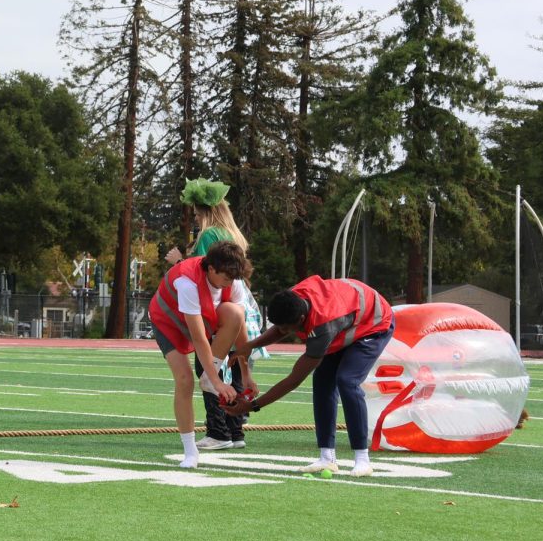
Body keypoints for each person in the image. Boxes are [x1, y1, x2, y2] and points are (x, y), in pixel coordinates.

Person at [224, 275, 395, 477]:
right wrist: (249, 347)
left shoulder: (323, 325)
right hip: (347, 318)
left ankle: (362, 459)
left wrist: (253, 406)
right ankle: (326, 458)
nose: (282, 331)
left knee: (347, 381)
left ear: (302, 320)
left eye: (287, 328)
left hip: (373, 325)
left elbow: (294, 380)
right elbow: (281, 329)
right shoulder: (293, 298)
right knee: (322, 382)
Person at [165, 178, 265, 451]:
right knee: (229, 364)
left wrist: (178, 261)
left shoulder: (209, 236)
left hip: (218, 304)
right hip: (237, 304)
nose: (196, 221)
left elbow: (201, 271)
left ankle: (218, 431)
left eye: (197, 215)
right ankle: (234, 430)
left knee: (208, 366)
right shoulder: (235, 235)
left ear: (207, 213)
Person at [148, 240, 254, 468]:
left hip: (201, 318)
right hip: (169, 322)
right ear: (211, 269)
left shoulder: (232, 281)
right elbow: (198, 338)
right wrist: (216, 382)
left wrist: (246, 375)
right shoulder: (188, 283)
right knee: (185, 380)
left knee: (235, 313)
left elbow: (241, 331)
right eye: (226, 278)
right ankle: (190, 451)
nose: (230, 283)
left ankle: (209, 375)